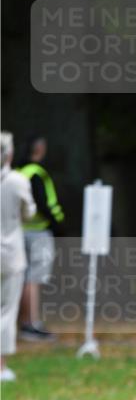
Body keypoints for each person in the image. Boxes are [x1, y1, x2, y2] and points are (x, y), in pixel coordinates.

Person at [16, 135, 64, 342]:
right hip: (38, 232)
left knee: (21, 277)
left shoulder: (17, 173)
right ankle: (31, 324)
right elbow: (43, 204)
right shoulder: (36, 173)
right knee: (33, 279)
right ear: (40, 149)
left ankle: (23, 323)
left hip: (18, 232)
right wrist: (57, 224)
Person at [1, 132, 36, 381]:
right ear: (9, 154)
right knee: (5, 310)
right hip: (9, 252)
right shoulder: (17, 181)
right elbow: (29, 212)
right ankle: (1, 366)